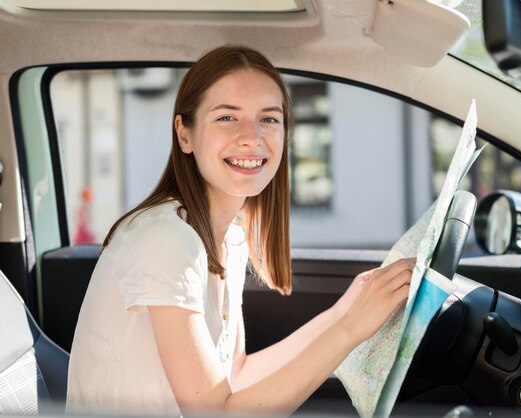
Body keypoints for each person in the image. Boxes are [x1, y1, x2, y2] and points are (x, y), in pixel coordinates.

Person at [66, 45, 414, 416]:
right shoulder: (163, 238)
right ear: (184, 135)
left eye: (269, 119)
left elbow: (237, 374)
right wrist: (349, 331)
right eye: (227, 119)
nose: (252, 137)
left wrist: (342, 314)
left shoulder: (230, 239)